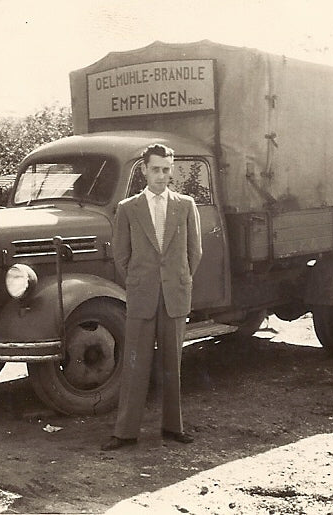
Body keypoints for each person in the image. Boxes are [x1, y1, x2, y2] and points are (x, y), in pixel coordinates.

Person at [102, 143, 202, 451]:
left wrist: (179, 279)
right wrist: (140, 280)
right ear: (144, 170)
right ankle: (125, 432)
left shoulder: (185, 205)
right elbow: (121, 256)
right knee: (135, 363)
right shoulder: (128, 208)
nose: (162, 176)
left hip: (174, 294)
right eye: (156, 169)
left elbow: (194, 252)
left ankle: (173, 427)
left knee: (173, 362)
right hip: (142, 295)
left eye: (167, 170)